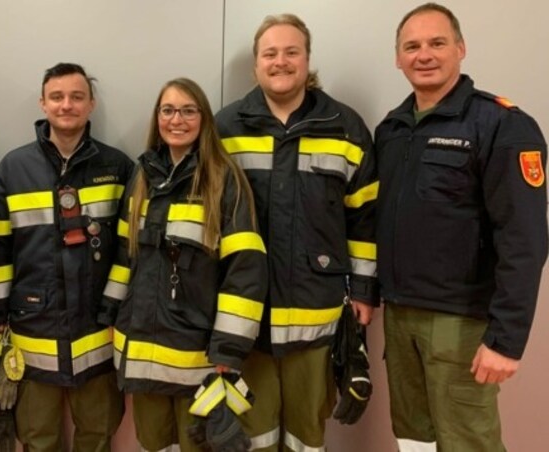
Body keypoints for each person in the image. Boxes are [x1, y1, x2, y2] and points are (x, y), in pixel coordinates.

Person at [375, 3, 547, 451]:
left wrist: (506, 341)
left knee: (468, 443)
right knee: (413, 439)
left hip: (460, 322)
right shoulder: (390, 130)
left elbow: (525, 241)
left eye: (437, 43)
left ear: (461, 49)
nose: (424, 55)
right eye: (411, 46)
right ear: (397, 57)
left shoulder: (502, 125)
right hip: (400, 316)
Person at [215, 13, 379, 451]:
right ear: (256, 65)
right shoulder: (224, 129)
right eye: (270, 53)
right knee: (254, 434)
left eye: (292, 52)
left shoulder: (345, 127)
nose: (281, 61)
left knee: (308, 436)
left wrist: (364, 289)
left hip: (317, 316)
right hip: (249, 318)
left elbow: (364, 217)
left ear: (307, 60)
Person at [97, 77, 268, 451]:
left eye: (189, 110)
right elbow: (126, 256)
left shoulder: (225, 181)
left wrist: (228, 350)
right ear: (157, 117)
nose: (178, 119)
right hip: (141, 352)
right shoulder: (141, 176)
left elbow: (245, 271)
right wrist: (111, 314)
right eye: (168, 110)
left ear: (204, 119)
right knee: (153, 445)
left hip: (199, 360)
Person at [0, 62, 132, 451]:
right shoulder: (13, 169)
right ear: (43, 103)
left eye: (77, 97)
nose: (67, 105)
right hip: (34, 335)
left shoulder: (117, 168)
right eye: (58, 97)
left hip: (99, 330)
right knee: (37, 438)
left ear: (91, 104)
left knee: (98, 434)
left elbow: (131, 250)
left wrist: (116, 309)